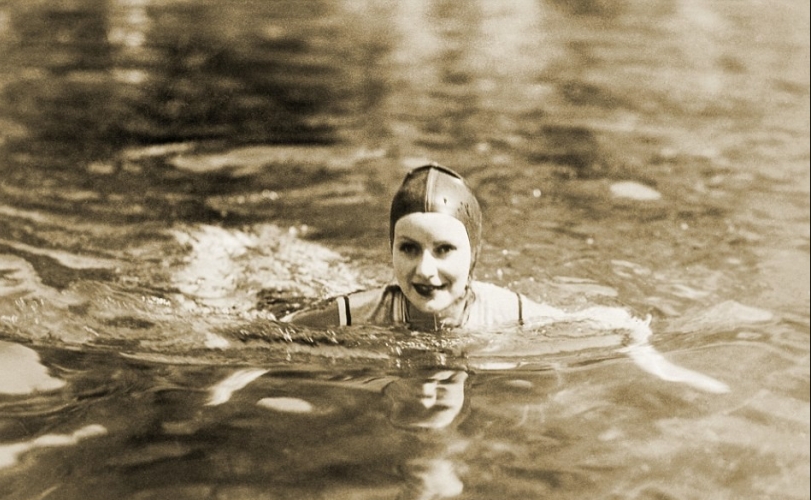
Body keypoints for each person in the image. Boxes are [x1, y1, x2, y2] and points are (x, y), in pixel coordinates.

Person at [284, 163, 729, 394]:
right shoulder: (360, 310)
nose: (424, 270)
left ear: (474, 255)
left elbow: (618, 324)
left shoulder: (505, 311)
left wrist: (660, 366)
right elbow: (270, 335)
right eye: (409, 248)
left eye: (444, 250)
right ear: (391, 250)